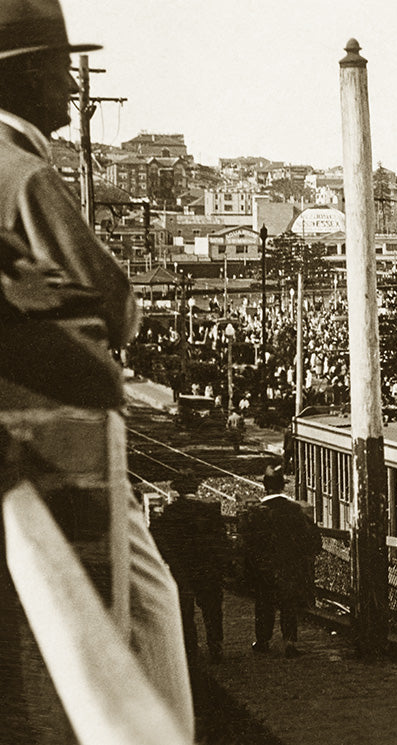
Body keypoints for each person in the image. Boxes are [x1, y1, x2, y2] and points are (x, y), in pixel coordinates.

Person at [0, 2, 191, 740]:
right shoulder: (21, 169)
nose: (72, 89)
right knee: (143, 599)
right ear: (20, 77)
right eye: (57, 69)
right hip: (67, 428)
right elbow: (116, 302)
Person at [151, 478, 230, 664]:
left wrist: (170, 560)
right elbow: (221, 541)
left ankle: (190, 648)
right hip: (208, 569)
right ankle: (215, 645)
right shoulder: (210, 510)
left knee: (185, 611)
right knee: (212, 609)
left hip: (182, 570)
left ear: (178, 492)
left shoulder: (170, 513)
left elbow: (158, 539)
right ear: (196, 489)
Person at [241, 493, 321, 657]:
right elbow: (312, 539)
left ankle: (263, 641)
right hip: (288, 566)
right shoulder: (295, 510)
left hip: (264, 568)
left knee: (264, 604)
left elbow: (247, 543)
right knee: (288, 604)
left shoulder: (257, 512)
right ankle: (289, 642)